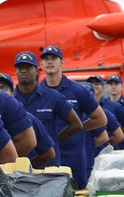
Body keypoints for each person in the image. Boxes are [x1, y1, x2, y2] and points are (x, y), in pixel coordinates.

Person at [38, 45, 108, 187]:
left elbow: (101, 119)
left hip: (73, 156)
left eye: (54, 58)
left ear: (62, 63)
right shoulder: (37, 92)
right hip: (45, 157)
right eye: (46, 59)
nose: (49, 62)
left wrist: (77, 128)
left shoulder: (77, 91)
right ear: (42, 64)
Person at [12, 50, 82, 168]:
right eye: (20, 68)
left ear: (37, 71)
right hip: (18, 166)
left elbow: (76, 125)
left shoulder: (53, 97)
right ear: (15, 72)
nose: (23, 71)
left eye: (28, 67)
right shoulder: (9, 100)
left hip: (48, 166)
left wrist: (52, 141)